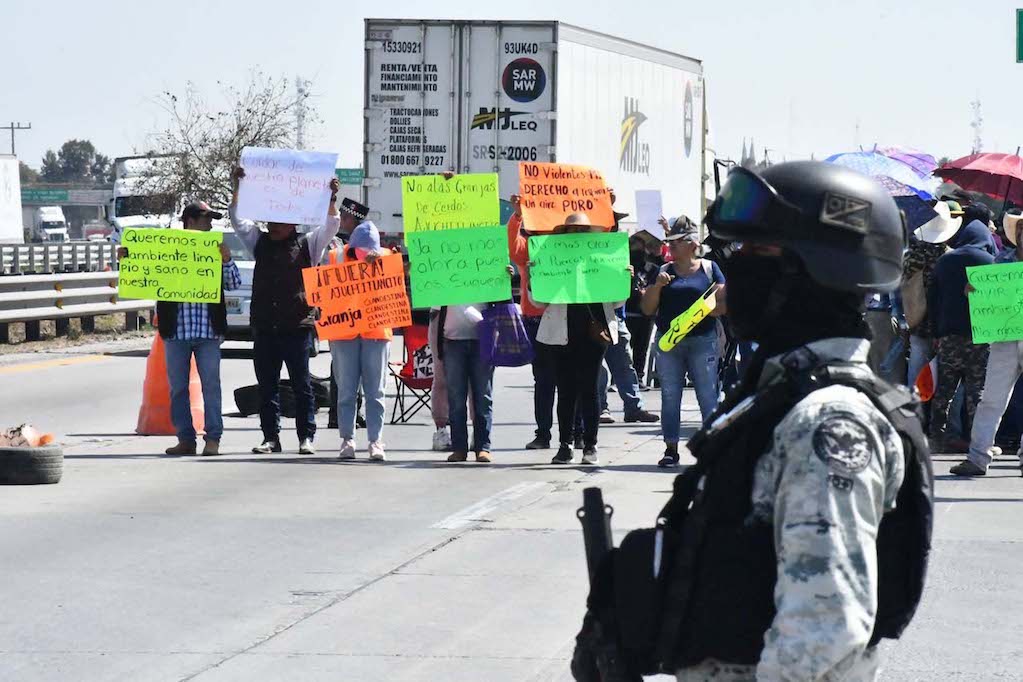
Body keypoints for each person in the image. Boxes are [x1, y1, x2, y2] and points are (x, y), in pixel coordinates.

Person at [572, 161, 932, 681]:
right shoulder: (778, 396)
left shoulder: (828, 421)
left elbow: (822, 634)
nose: (736, 270)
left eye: (755, 252)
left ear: (811, 273)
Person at [229, 167, 341, 455]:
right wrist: (238, 186)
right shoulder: (259, 242)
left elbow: (331, 225)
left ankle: (306, 437)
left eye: (279, 221)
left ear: (293, 222)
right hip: (265, 327)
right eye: (269, 220)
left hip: (296, 328)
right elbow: (238, 220)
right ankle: (271, 438)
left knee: (302, 386)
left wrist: (331, 197)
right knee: (267, 387)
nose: (272, 226)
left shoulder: (309, 244)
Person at [121, 201, 241, 456]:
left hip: (208, 332)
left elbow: (233, 284)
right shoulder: (167, 248)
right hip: (176, 331)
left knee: (211, 387)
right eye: (206, 219)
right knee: (177, 389)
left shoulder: (214, 250)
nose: (210, 225)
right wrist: (128, 259)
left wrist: (227, 260)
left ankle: (213, 438)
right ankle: (186, 439)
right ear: (191, 221)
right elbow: (143, 274)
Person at [531, 213, 629, 466]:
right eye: (572, 230)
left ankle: (589, 445)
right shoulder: (553, 259)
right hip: (560, 334)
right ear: (564, 233)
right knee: (565, 391)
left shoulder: (601, 260)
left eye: (582, 230)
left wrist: (623, 278)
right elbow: (539, 302)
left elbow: (617, 302)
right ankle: (565, 445)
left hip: (594, 334)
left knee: (589, 389)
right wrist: (535, 278)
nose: (576, 234)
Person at [641, 218, 726, 468]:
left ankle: (713, 450)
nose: (671, 247)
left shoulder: (710, 269)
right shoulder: (663, 270)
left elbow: (724, 303)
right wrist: (657, 287)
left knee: (708, 396)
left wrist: (710, 308)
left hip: (703, 341)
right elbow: (647, 309)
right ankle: (671, 448)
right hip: (669, 343)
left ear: (692, 244)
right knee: (670, 396)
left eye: (676, 242)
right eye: (669, 242)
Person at [951, 210, 1023, 476]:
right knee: (991, 397)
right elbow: (986, 292)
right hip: (1005, 337)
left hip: (1007, 333)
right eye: (1021, 229)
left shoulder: (1002, 260)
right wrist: (974, 290)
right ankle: (977, 457)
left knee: (992, 398)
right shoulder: (1002, 259)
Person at [927, 216, 994, 452]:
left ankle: (937, 439)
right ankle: (978, 442)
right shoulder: (991, 262)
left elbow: (932, 299)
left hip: (949, 337)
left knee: (944, 391)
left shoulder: (945, 261)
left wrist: (936, 333)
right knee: (977, 392)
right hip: (980, 338)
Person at [332, 220, 393, 462]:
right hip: (344, 332)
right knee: (346, 390)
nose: (366, 255)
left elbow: (399, 281)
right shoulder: (336, 257)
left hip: (375, 332)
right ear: (352, 247)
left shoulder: (386, 258)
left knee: (376, 391)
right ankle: (347, 440)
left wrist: (384, 263)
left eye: (371, 250)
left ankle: (375, 441)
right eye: (362, 250)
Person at [436, 293, 511, 464]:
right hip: (452, 339)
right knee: (456, 398)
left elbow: (504, 300)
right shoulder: (442, 276)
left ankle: (482, 447)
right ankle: (459, 448)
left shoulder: (488, 277)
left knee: (483, 397)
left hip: (483, 339)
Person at [508, 194, 557, 450]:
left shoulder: (566, 245)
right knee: (544, 380)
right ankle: (543, 434)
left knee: (571, 379)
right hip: (536, 320)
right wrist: (517, 215)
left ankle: (577, 434)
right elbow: (512, 246)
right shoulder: (528, 246)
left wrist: (607, 209)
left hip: (565, 317)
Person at [326, 198, 370, 432]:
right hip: (341, 313)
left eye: (346, 218)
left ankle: (356, 410)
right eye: (341, 216)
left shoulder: (368, 244)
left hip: (363, 312)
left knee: (360, 366)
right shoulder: (334, 243)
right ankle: (336, 413)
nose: (342, 221)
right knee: (340, 367)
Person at [625, 230, 663, 387]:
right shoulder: (624, 267)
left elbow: (657, 281)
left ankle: (639, 377)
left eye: (639, 247)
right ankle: (621, 379)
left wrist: (647, 292)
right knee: (624, 349)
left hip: (645, 313)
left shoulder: (652, 268)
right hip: (626, 311)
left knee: (641, 347)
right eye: (632, 247)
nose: (636, 251)